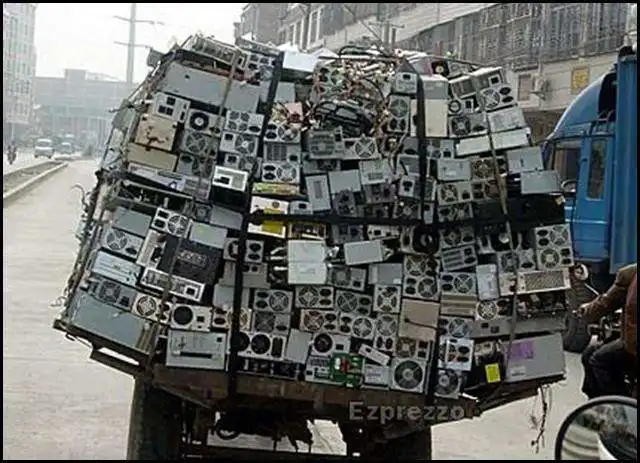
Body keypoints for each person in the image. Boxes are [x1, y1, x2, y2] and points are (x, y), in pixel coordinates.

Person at [578, 263, 637, 399]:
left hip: (633, 347)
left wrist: (586, 310)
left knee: (598, 359)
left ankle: (621, 404)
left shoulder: (629, 274)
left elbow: (605, 304)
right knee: (590, 352)